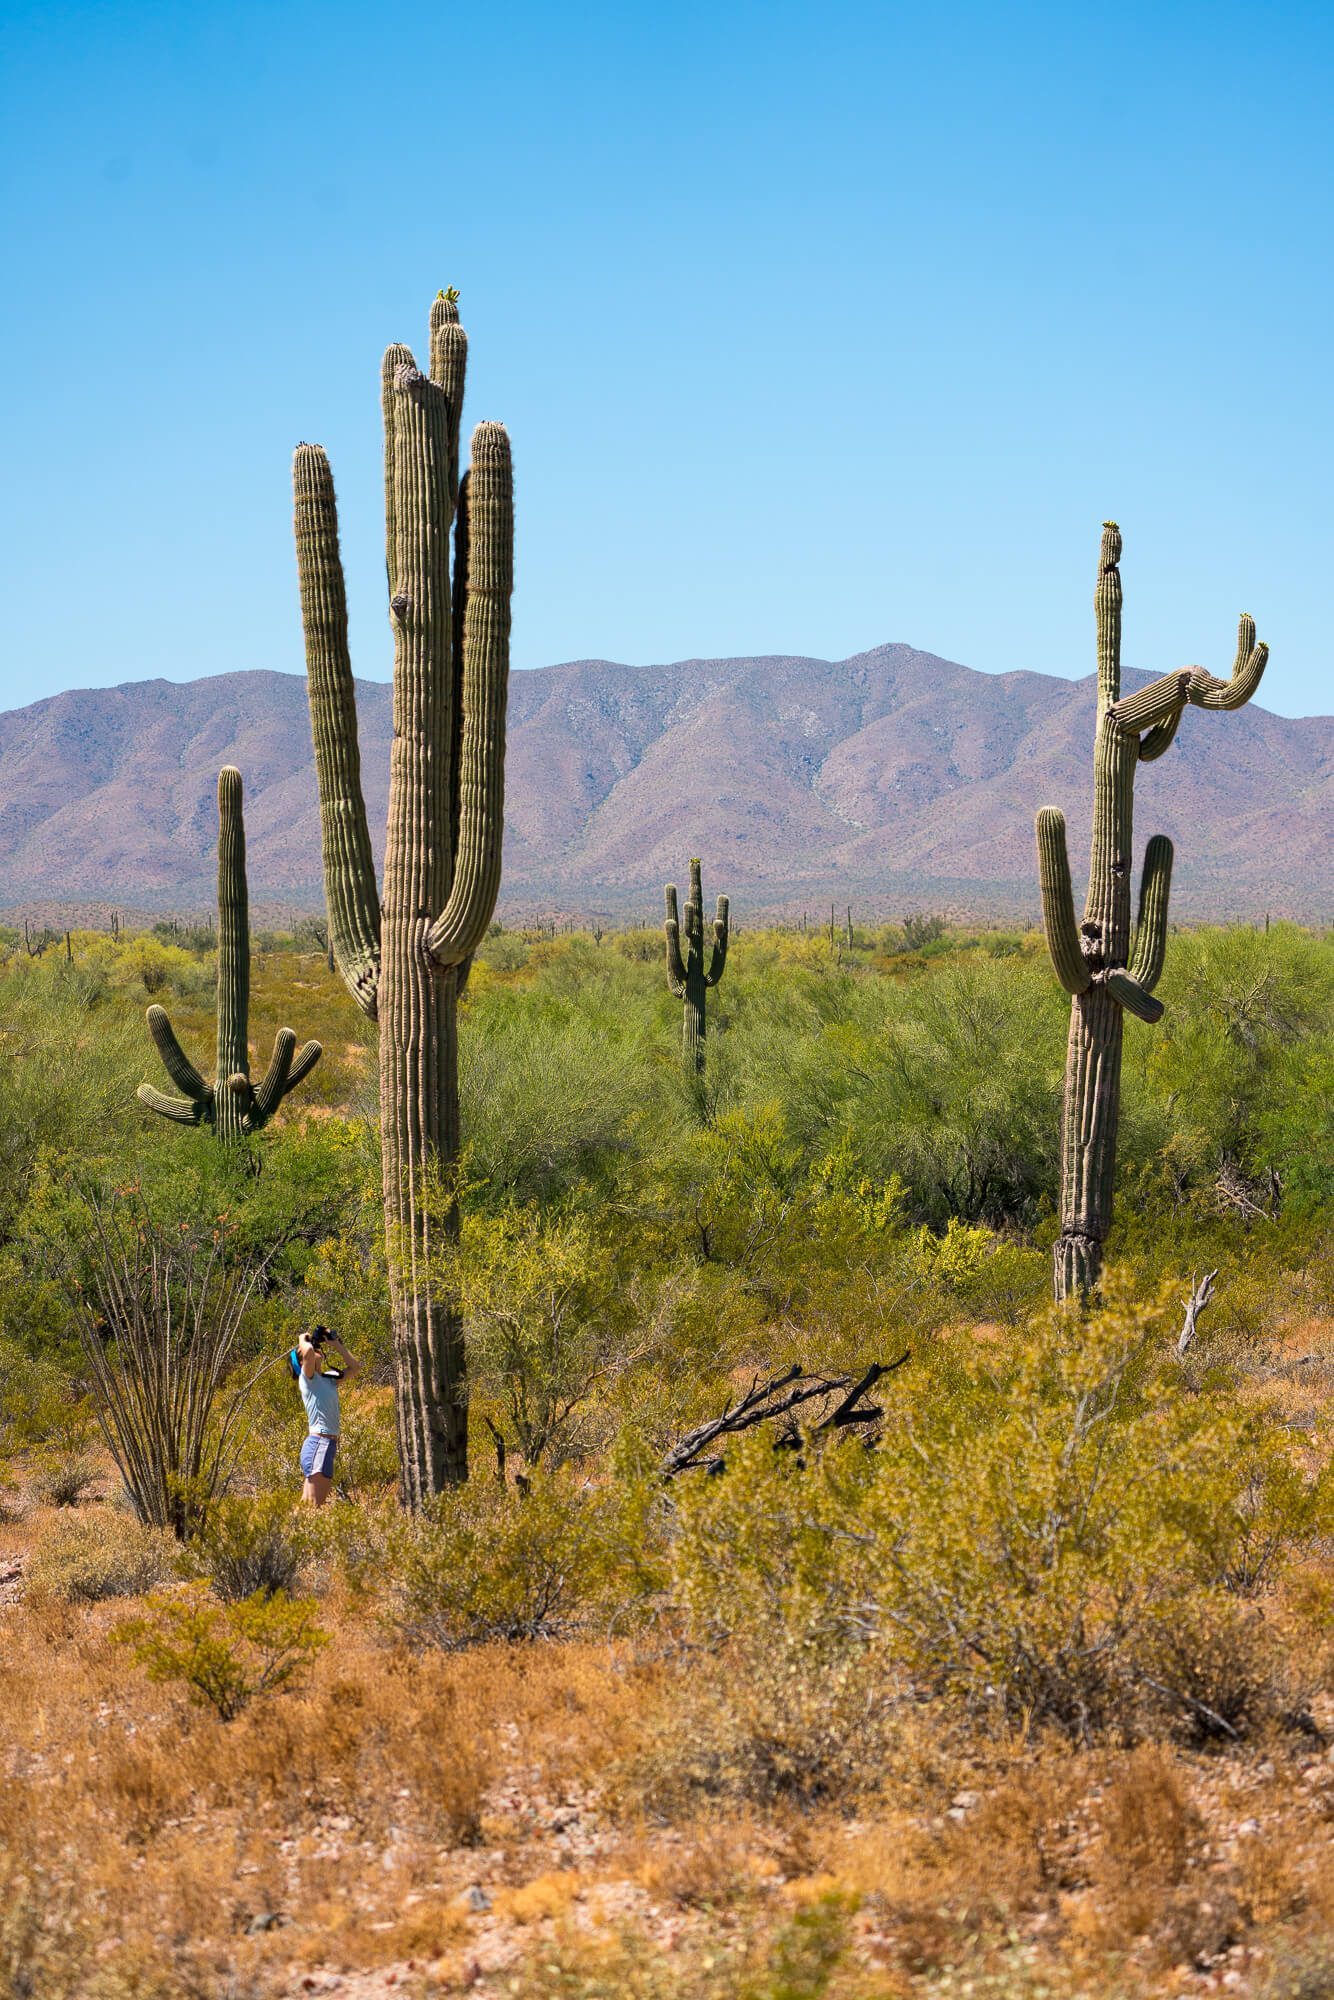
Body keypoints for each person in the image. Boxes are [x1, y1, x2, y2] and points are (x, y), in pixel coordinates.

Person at [292, 1325, 359, 1507]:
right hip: (319, 1444)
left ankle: (288, 1534)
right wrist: (302, 1340)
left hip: (325, 1445)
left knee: (307, 1506)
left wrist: (336, 1344)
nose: (315, 1350)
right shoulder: (307, 1379)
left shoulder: (328, 1378)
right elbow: (308, 1354)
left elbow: (355, 1367)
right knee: (313, 1506)